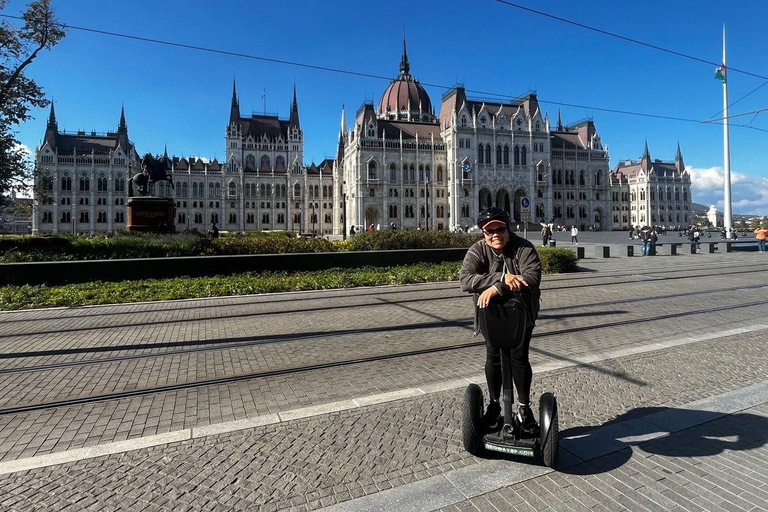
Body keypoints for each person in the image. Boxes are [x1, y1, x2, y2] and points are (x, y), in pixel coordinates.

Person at [460, 207, 542, 435]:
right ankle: (495, 404)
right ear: (484, 233)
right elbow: (465, 280)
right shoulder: (478, 250)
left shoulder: (524, 248)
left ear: (508, 229)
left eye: (500, 229)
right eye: (490, 231)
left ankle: (524, 409)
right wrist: (502, 277)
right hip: (490, 316)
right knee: (493, 357)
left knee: (519, 358)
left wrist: (497, 287)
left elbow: (532, 277)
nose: (496, 235)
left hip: (521, 315)